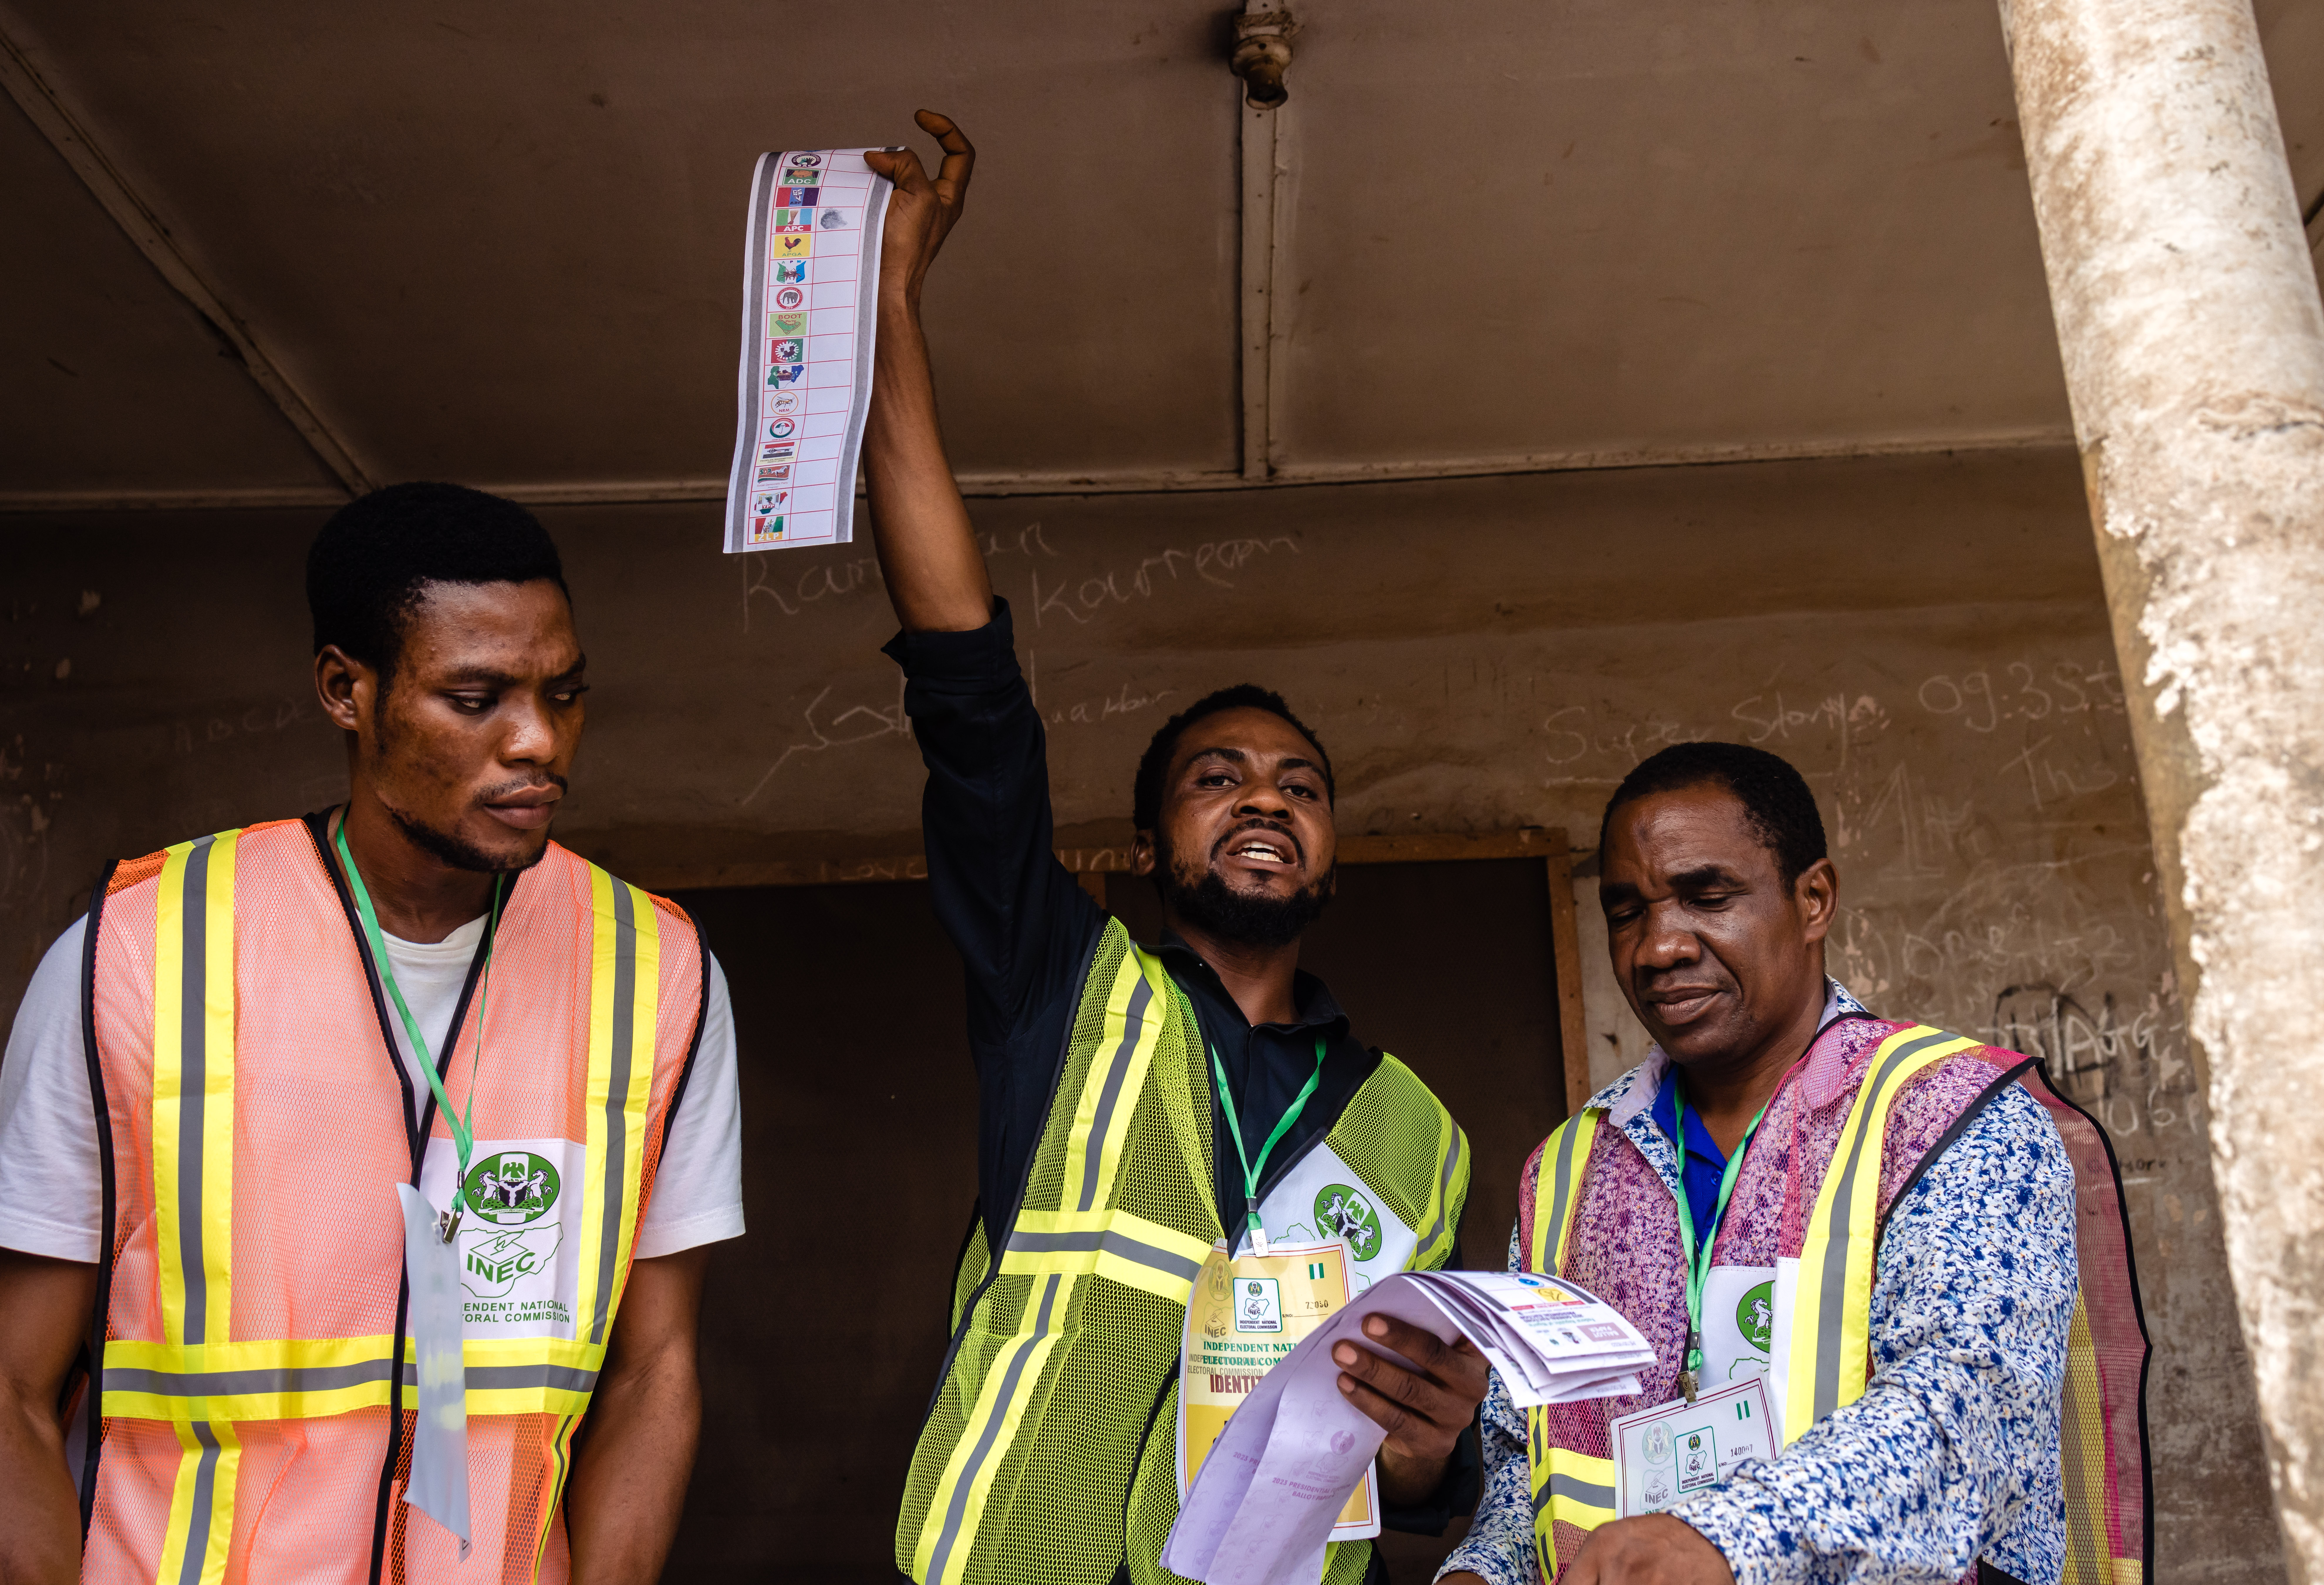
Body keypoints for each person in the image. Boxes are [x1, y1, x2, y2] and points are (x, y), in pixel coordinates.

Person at [860, 113, 1488, 1585]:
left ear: (1332, 851)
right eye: (1219, 778)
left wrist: (1436, 1454)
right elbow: (969, 694)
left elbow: (1417, 1473)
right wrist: (892, 310)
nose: (1265, 800)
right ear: (1151, 844)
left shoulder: (1420, 1136)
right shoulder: (1060, 990)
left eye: (1300, 785)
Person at [0, 484, 745, 1585]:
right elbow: (14, 1383)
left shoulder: (654, 968)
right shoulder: (139, 953)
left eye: (565, 693)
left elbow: (655, 1369)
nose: (538, 741)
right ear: (347, 691)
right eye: (477, 697)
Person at [1440, 743, 2148, 1585]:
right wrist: (1482, 1570)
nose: (1658, 947)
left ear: (1813, 900)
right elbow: (1530, 1461)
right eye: (1626, 911)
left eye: (1706, 897)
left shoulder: (1946, 1114)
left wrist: (1724, 1536)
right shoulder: (1570, 1169)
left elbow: (1965, 1411)